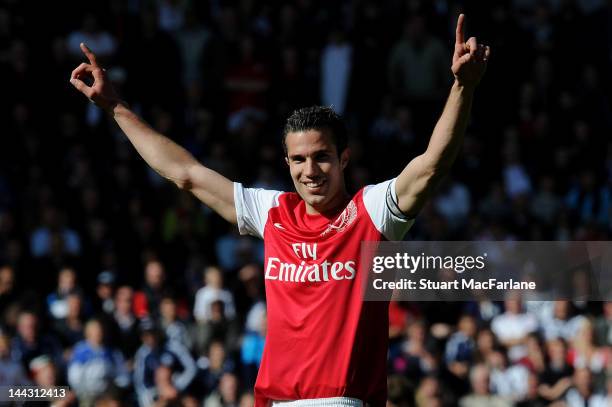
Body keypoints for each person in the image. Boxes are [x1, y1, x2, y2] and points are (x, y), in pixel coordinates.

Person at [70, 13, 489, 407]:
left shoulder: (373, 211)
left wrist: (462, 88)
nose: (311, 171)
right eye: (299, 160)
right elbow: (186, 173)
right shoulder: (273, 212)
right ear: (286, 163)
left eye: (322, 157)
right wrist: (115, 108)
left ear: (344, 158)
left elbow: (432, 164)